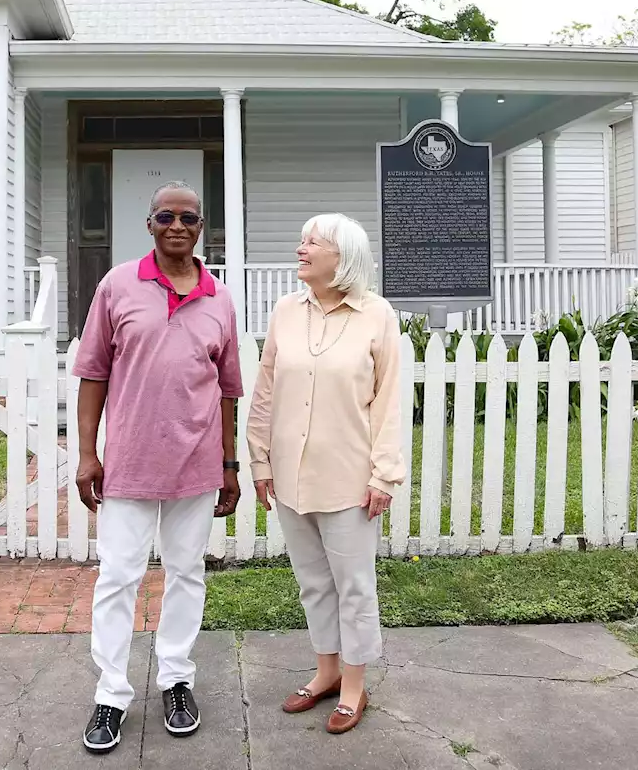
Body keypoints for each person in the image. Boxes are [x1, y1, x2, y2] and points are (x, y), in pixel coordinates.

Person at [73, 181, 244, 754]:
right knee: (118, 576)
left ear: (202, 229)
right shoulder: (118, 285)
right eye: (166, 216)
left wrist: (228, 463)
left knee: (186, 573)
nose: (178, 225)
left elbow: (227, 388)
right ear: (149, 223)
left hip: (195, 466)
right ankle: (111, 694)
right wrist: (86, 453)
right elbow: (94, 372)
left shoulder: (219, 296)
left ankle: (175, 679)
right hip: (129, 462)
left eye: (189, 218)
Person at [246, 213, 405, 735]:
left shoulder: (376, 315)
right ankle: (327, 672)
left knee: (353, 586)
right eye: (302, 239)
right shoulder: (286, 312)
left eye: (314, 241)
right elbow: (266, 390)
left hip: (349, 479)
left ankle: (355, 686)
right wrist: (261, 460)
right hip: (290, 476)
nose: (302, 247)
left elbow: (389, 402)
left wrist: (384, 475)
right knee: (313, 583)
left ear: (344, 256)